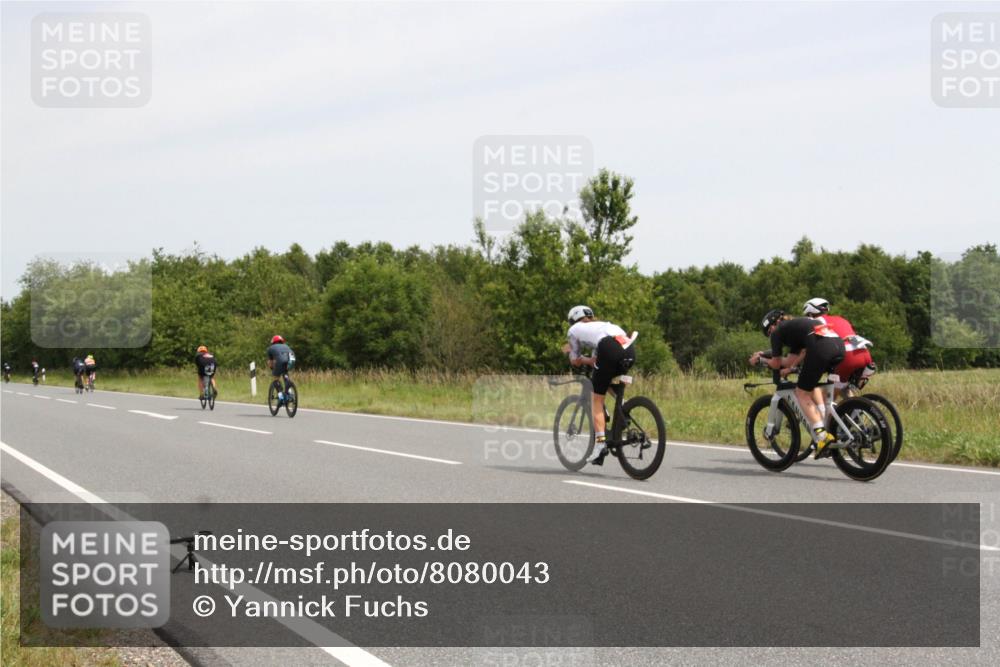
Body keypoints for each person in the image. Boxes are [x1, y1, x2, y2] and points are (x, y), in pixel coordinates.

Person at [749, 309, 845, 459]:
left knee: (802, 392)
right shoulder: (796, 328)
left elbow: (776, 363)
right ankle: (829, 425)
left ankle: (822, 436)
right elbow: (788, 360)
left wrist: (760, 360)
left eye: (768, 333)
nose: (770, 336)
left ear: (773, 325)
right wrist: (769, 357)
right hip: (838, 346)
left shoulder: (777, 332)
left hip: (821, 347)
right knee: (813, 387)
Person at [563, 305, 636, 466]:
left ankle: (600, 444)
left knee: (596, 399)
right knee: (604, 379)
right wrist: (589, 360)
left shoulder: (574, 329)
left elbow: (575, 360)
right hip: (629, 348)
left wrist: (571, 354)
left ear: (573, 319)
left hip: (609, 349)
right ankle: (624, 407)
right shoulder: (604, 326)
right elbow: (597, 358)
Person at [802, 298, 876, 394]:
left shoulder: (817, 322)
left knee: (829, 396)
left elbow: (813, 347)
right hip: (865, 354)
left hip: (848, 357)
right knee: (844, 389)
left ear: (810, 314)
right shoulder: (840, 318)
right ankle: (857, 408)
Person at [266, 335, 296, 401]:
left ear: (273, 342)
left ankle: (281, 396)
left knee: (276, 378)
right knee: (285, 375)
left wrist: (272, 369)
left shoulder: (270, 348)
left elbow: (270, 362)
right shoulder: (286, 346)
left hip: (280, 361)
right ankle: (290, 394)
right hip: (292, 360)